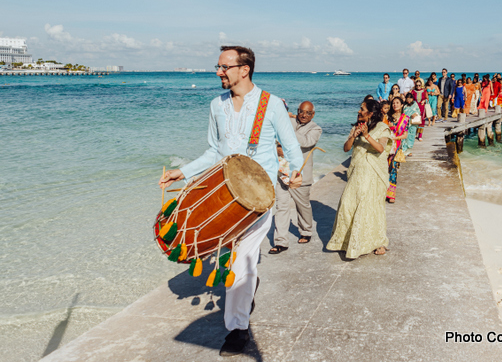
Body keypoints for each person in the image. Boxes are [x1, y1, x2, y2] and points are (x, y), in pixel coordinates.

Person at [159, 46, 303, 357]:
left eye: (224, 66)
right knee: (233, 257)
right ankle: (247, 291)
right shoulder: (216, 105)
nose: (218, 72)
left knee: (241, 260)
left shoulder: (272, 104)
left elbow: (292, 150)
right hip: (223, 194)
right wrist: (180, 173)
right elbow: (214, 152)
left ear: (244, 69)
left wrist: (295, 173)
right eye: (218, 66)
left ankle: (237, 330)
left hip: (258, 200)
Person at [327, 98, 392, 259]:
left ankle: (378, 242)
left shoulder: (383, 128)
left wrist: (366, 135)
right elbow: (346, 148)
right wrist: (353, 136)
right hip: (357, 171)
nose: (359, 111)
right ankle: (345, 241)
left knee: (369, 207)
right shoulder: (357, 127)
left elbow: (380, 149)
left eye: (362, 109)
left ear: (371, 113)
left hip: (373, 171)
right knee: (347, 204)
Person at [270, 101, 322, 254]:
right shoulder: (288, 120)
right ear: (297, 110)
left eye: (308, 113)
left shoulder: (316, 128)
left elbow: (306, 142)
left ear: (313, 115)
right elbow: (272, 136)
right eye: (301, 111)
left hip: (301, 174)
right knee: (281, 207)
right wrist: (277, 148)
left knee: (303, 205)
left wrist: (285, 127)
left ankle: (306, 231)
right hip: (282, 173)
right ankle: (281, 241)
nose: (303, 115)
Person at [385, 96, 409, 203]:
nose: (395, 105)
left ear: (402, 105)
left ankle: (391, 195)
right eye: (393, 103)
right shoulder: (388, 117)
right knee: (384, 167)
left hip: (397, 145)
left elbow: (405, 135)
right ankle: (382, 191)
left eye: (397, 103)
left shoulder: (405, 118)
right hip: (386, 144)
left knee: (393, 168)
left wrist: (395, 138)